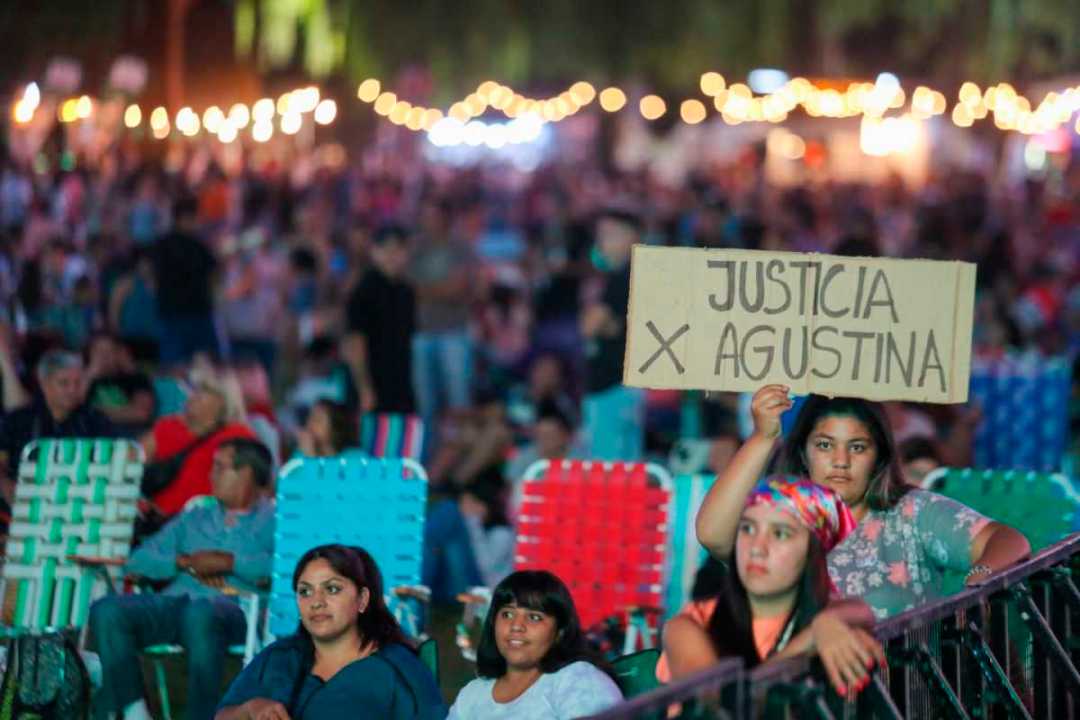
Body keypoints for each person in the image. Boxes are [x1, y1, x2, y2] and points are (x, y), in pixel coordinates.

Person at [696, 385, 1032, 618]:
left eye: (857, 447)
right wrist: (763, 437)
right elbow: (713, 534)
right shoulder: (784, 520)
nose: (840, 461)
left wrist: (981, 579)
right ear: (804, 453)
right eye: (825, 445)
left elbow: (1010, 541)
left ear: (879, 456)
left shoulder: (911, 513)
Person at [89, 438, 275, 720]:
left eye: (219, 467)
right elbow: (138, 560)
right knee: (107, 609)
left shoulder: (275, 521)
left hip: (235, 607)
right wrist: (183, 562)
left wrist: (230, 563)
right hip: (177, 602)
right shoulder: (196, 517)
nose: (210, 474)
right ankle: (134, 711)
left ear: (246, 474)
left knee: (200, 613)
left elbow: (283, 569)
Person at [660, 476, 883, 700]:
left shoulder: (830, 616)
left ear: (813, 553)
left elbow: (858, 611)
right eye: (747, 528)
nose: (757, 548)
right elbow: (720, 709)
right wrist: (809, 641)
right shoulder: (691, 624)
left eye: (780, 533)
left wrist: (825, 624)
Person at [215, 544, 446, 720]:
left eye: (332, 589)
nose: (316, 602)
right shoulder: (280, 658)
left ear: (362, 599)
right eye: (305, 592)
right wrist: (248, 709)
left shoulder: (396, 670)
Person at [447, 570, 623, 719]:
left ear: (559, 632)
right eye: (507, 614)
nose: (516, 626)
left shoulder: (578, 680)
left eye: (534, 617)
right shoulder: (472, 695)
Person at [0, 350, 115, 501]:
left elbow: (111, 462)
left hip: (80, 502)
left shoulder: (95, 420)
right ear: (44, 383)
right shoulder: (16, 420)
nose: (72, 390)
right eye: (64, 383)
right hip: (24, 503)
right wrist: (5, 485)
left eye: (77, 383)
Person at [140, 368, 255, 518]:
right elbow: (131, 464)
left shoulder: (237, 435)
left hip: (207, 524)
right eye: (193, 390)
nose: (193, 396)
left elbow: (248, 488)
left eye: (203, 392)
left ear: (223, 403)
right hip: (159, 522)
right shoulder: (168, 426)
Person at [580, 208, 644, 461]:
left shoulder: (622, 277)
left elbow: (589, 326)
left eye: (608, 235)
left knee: (610, 471)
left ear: (630, 237)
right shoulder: (629, 275)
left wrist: (601, 321)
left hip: (612, 386)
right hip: (624, 384)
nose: (601, 243)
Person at [343, 224, 416, 415]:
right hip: (372, 388)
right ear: (374, 251)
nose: (393, 256)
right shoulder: (363, 291)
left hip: (399, 387)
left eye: (399, 249)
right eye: (386, 249)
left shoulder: (405, 291)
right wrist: (364, 388)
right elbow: (355, 343)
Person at [423, 467, 515, 602]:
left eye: (470, 503)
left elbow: (484, 567)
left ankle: (415, 577)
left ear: (485, 505)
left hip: (478, 590)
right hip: (452, 584)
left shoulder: (502, 533)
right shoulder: (465, 527)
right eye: (464, 503)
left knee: (449, 510)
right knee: (444, 518)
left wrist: (473, 523)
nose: (464, 508)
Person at [153, 195, 220, 365]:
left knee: (178, 365)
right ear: (184, 218)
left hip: (175, 312)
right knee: (197, 365)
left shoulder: (162, 245)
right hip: (189, 315)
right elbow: (214, 276)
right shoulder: (198, 247)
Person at [84, 332, 156, 437]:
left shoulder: (135, 378)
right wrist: (90, 375)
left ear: (119, 354)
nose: (104, 356)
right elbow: (70, 408)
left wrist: (94, 413)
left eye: (110, 351)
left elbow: (141, 413)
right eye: (98, 351)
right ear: (88, 354)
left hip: (129, 436)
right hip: (91, 438)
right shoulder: (79, 378)